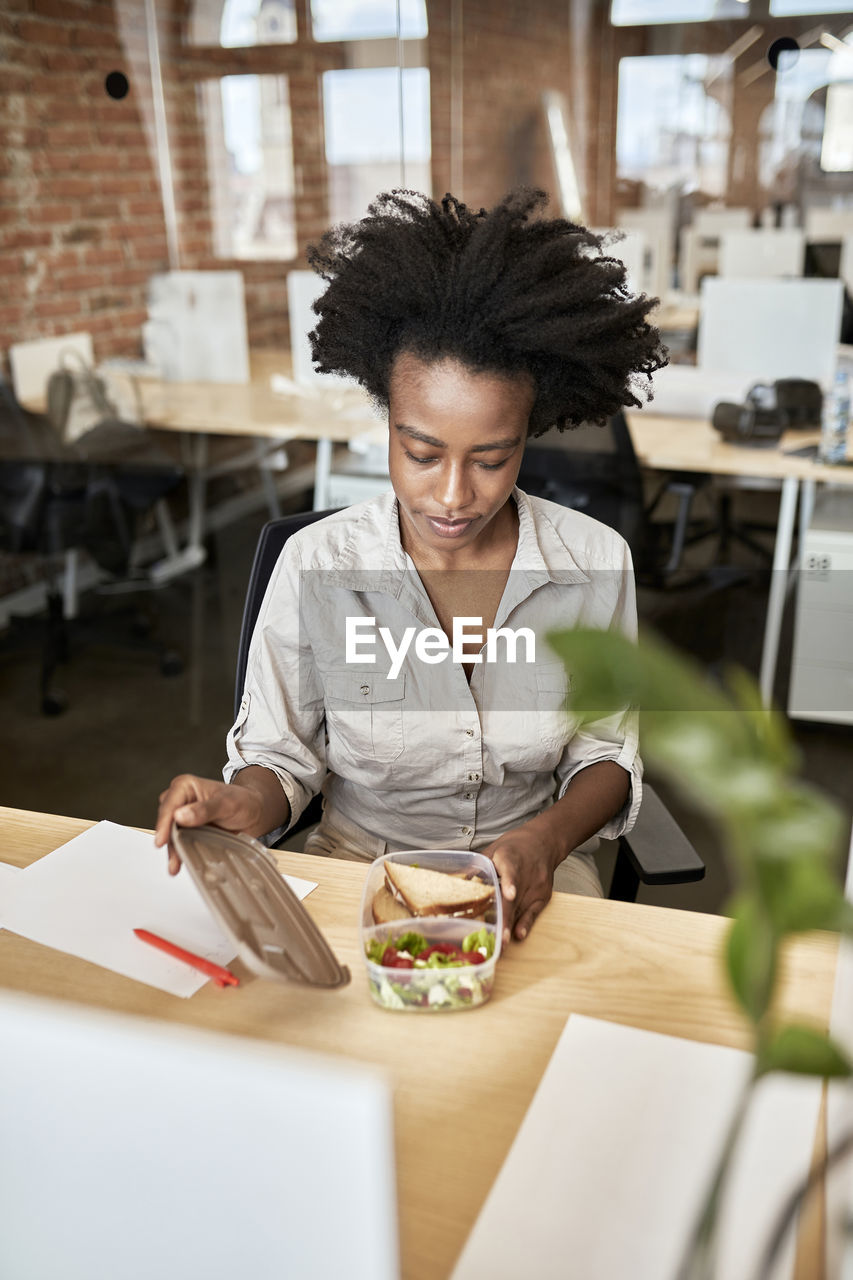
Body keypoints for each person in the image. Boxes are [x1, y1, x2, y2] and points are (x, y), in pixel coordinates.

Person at [155, 187, 667, 943]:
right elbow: (280, 760)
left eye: (491, 459)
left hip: (533, 869)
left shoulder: (593, 563)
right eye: (420, 453)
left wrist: (548, 841)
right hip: (359, 866)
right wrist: (244, 803)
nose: (454, 496)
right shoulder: (317, 564)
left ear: (530, 433)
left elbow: (605, 755)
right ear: (386, 422)